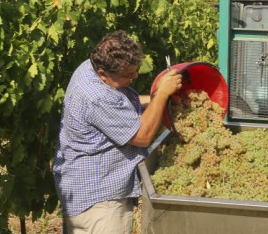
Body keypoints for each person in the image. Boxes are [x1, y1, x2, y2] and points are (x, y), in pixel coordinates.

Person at [53, 30, 182, 234]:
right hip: (100, 203)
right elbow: (143, 136)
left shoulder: (89, 67)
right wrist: (163, 93)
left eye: (135, 71)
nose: (135, 77)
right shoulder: (97, 96)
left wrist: (155, 100)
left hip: (82, 192)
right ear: (104, 74)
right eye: (127, 75)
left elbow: (119, 107)